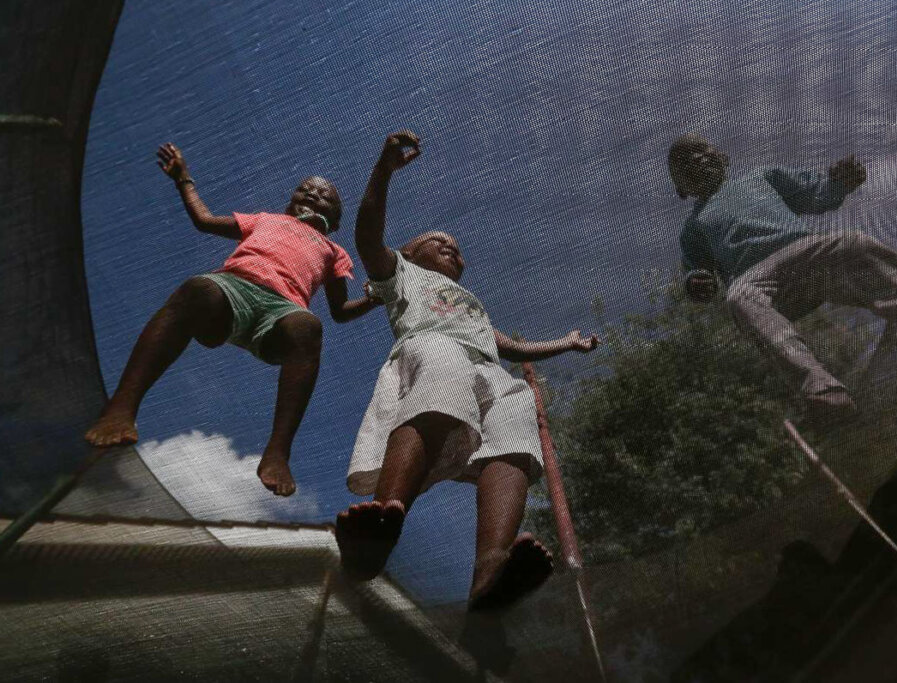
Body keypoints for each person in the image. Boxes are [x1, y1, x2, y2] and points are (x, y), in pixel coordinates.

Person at [337, 130, 600, 610]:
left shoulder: (474, 306)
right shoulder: (399, 274)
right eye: (441, 243)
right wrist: (383, 170)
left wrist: (566, 343)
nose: (454, 250)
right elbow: (368, 233)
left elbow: (511, 347)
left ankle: (490, 573)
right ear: (411, 252)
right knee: (443, 368)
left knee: (517, 428)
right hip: (433, 349)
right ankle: (381, 525)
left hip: (488, 370)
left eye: (458, 249)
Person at [84, 143, 380, 496]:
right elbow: (205, 221)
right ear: (290, 200)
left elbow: (338, 312)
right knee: (198, 288)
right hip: (233, 291)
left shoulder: (334, 252)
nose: (314, 193)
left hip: (282, 313)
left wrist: (373, 300)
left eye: (324, 195)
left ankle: (277, 452)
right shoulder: (264, 220)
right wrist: (184, 180)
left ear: (335, 219)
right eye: (306, 189)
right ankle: (121, 407)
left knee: (308, 326)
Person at [667, 134, 897, 421]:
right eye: (684, 163)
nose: (697, 160)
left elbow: (815, 194)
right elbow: (695, 272)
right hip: (759, 280)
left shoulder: (762, 178)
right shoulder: (693, 228)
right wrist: (696, 283)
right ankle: (823, 393)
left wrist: (839, 182)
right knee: (739, 297)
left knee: (854, 244)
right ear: (681, 189)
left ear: (723, 157)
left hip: (807, 254)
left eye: (702, 151)